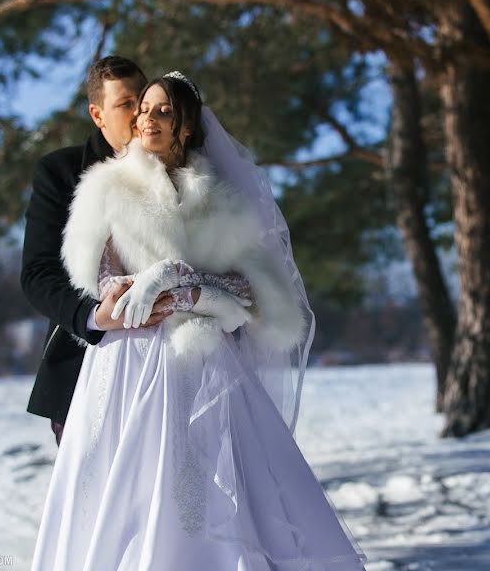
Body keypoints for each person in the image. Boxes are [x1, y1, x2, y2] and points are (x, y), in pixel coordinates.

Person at [30, 72, 367, 570]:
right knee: (125, 497)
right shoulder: (107, 185)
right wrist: (135, 291)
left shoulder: (221, 200)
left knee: (212, 496)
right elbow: (100, 283)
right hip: (128, 366)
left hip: (207, 366)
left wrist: (187, 286)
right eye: (141, 108)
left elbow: (254, 295)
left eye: (161, 110)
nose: (147, 118)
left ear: (187, 126)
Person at [21, 56, 172, 446]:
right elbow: (38, 274)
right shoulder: (61, 172)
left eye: (143, 98)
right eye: (125, 104)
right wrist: (94, 315)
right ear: (98, 115)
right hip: (87, 370)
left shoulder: (181, 168)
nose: (139, 113)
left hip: (176, 370)